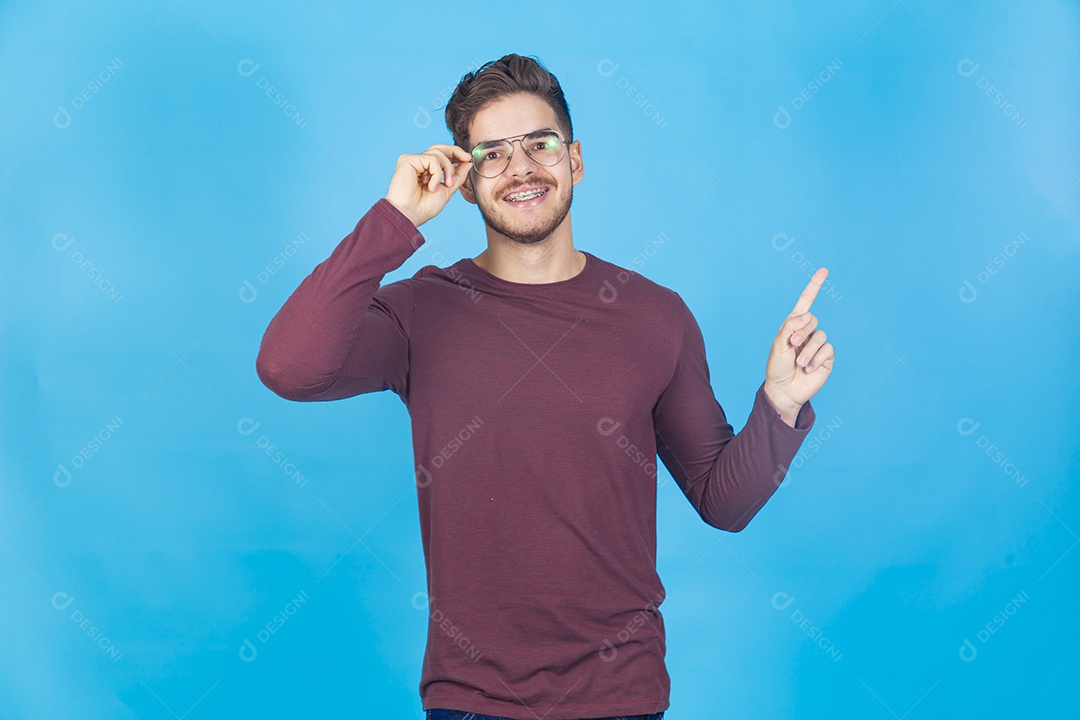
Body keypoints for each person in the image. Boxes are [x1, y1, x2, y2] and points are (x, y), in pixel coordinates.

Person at [256, 53, 834, 720]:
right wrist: (395, 218)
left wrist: (781, 403)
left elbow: (722, 501)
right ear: (466, 183)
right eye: (493, 154)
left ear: (575, 161)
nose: (522, 167)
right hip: (473, 703)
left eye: (540, 144)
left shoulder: (656, 316)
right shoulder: (419, 313)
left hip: (622, 699)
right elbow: (289, 367)